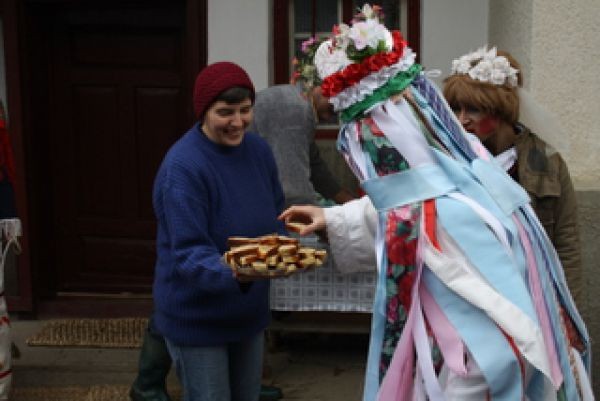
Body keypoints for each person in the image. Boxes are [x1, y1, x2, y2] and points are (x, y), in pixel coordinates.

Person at [279, 4, 592, 400]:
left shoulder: (458, 211)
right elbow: (410, 204)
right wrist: (332, 218)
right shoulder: (466, 174)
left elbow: (499, 349)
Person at [148, 61, 285, 401]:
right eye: (225, 112)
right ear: (203, 112)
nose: (237, 122)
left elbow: (276, 213)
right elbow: (188, 253)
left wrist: (285, 248)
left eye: (245, 110)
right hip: (199, 318)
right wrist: (239, 270)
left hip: (248, 313)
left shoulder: (258, 151)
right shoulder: (183, 167)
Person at [443, 47, 582, 306]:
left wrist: (567, 310)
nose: (461, 120)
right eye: (455, 109)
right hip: (471, 297)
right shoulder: (450, 160)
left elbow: (566, 243)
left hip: (532, 295)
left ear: (500, 110)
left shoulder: (547, 162)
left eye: (473, 109)